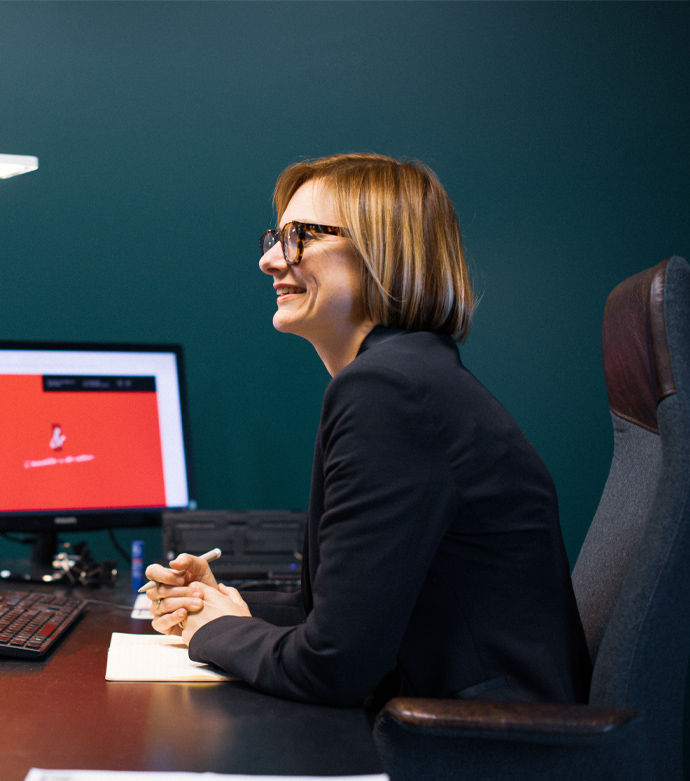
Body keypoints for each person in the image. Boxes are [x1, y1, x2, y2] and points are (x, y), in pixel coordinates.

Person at [146, 153, 591, 708]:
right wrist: (228, 607)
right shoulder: (414, 375)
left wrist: (212, 632)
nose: (270, 261)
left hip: (474, 755)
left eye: (300, 236)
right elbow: (347, 618)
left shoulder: (390, 390)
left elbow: (334, 666)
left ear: (384, 250)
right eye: (274, 237)